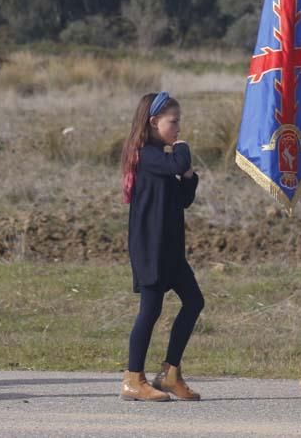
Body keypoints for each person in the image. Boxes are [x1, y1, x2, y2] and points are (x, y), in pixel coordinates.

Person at [119, 91, 204, 402]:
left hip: (170, 248)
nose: (179, 129)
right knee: (150, 310)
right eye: (174, 122)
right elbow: (179, 163)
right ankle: (133, 378)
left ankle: (170, 372)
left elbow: (182, 199)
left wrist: (189, 179)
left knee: (194, 301)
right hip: (150, 248)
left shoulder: (161, 158)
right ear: (153, 122)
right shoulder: (145, 155)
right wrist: (183, 151)